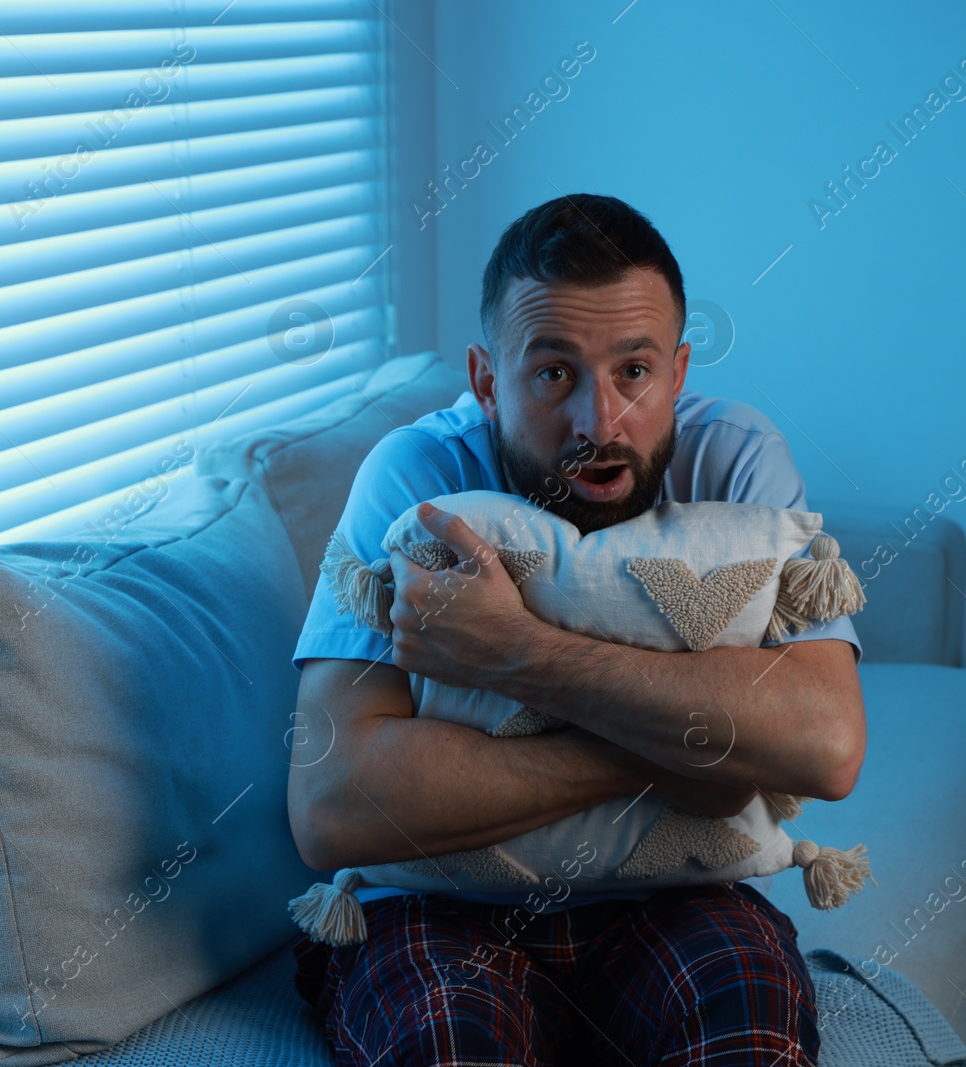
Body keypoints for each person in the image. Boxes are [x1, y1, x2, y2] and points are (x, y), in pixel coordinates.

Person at [286, 193, 866, 1066]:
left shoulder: (736, 459)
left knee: (749, 1029)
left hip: (679, 897)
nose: (601, 422)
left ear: (677, 371)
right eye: (553, 372)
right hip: (443, 911)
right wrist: (699, 756)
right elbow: (332, 809)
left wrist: (518, 653)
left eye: (634, 371)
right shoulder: (417, 478)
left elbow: (825, 745)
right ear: (487, 380)